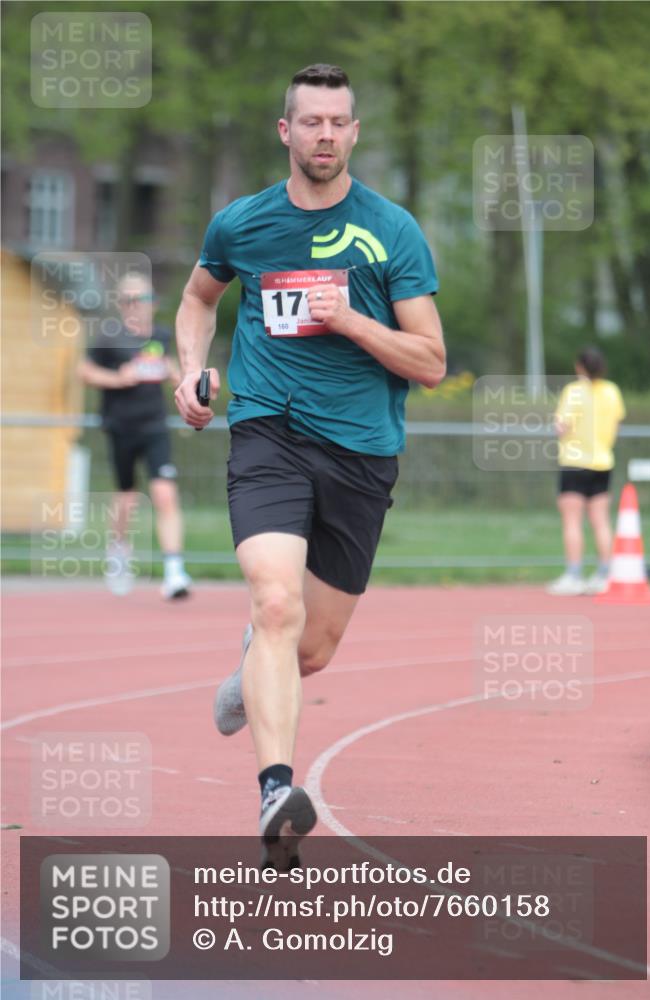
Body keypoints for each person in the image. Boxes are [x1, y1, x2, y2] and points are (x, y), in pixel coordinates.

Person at [174, 64, 445, 866]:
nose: (324, 135)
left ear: (354, 133)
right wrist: (187, 371)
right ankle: (275, 794)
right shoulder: (241, 224)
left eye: (338, 122)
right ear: (284, 132)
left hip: (361, 452)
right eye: (310, 121)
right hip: (268, 433)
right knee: (274, 601)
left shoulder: (390, 231)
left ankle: (254, 666)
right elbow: (197, 299)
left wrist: (353, 322)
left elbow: (429, 362)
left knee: (310, 647)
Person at [78, 271, 192, 600]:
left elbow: (169, 368)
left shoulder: (161, 335)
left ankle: (174, 571)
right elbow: (84, 372)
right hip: (120, 426)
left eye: (141, 299)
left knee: (165, 494)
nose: (134, 305)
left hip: (154, 425)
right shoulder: (109, 337)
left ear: (153, 303)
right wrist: (118, 378)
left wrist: (176, 376)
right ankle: (118, 552)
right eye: (127, 299)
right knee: (126, 498)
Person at [547, 346, 625, 596]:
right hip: (603, 461)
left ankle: (574, 575)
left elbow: (562, 427)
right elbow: (616, 424)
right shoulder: (612, 391)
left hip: (574, 461)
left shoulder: (574, 392)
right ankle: (604, 574)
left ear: (580, 366)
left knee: (572, 522)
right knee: (601, 521)